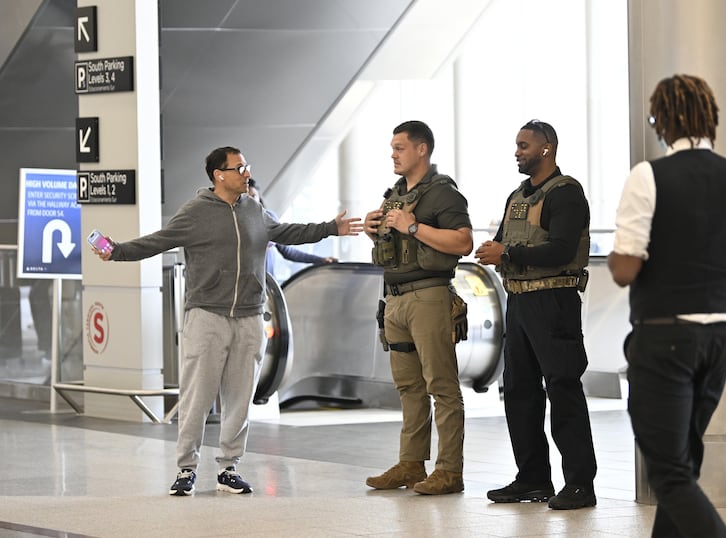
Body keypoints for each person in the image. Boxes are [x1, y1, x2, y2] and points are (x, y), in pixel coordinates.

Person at [91, 146, 362, 497]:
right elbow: (158, 241)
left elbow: (286, 233)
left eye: (246, 166)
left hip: (249, 317)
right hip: (206, 316)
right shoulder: (195, 213)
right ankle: (186, 469)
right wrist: (118, 251)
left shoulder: (254, 209)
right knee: (197, 397)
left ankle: (229, 468)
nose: (246, 172)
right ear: (219, 174)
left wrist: (330, 228)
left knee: (240, 397)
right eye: (239, 167)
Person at [608, 74, 726, 537]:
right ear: (710, 118)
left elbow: (623, 270)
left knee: (669, 473)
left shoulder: (648, 176)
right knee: (683, 466)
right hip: (720, 339)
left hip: (664, 338)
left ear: (661, 120)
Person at [475, 119, 597, 510]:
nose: (517, 152)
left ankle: (580, 484)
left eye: (524, 145)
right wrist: (494, 248)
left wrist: (508, 255)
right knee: (520, 392)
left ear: (547, 148)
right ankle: (532, 479)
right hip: (520, 302)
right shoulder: (517, 197)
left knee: (563, 388)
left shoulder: (566, 194)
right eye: (516, 145)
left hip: (554, 302)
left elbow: (561, 250)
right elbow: (505, 241)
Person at [364, 120, 473, 495]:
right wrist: (373, 227)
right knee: (409, 386)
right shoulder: (394, 194)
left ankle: (449, 470)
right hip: (394, 298)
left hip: (429, 295)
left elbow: (463, 242)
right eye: (392, 148)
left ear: (421, 149)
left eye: (399, 148)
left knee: (442, 385)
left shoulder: (443, 194)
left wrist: (412, 228)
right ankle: (411, 463)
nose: (393, 154)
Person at [246, 179, 337, 276]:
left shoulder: (269, 218)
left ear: (259, 197)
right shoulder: (235, 223)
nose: (251, 201)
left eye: (253, 196)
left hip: (268, 284)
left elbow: (288, 251)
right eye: (246, 197)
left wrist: (320, 260)